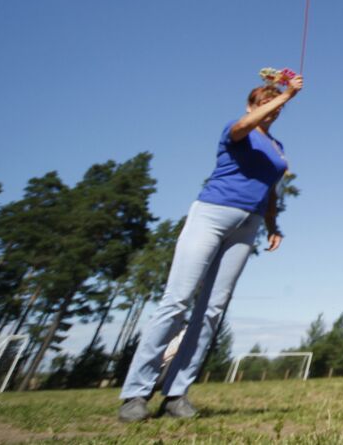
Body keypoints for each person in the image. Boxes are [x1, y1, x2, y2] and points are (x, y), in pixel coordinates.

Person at [119, 73, 303, 422]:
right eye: (264, 105)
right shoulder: (236, 129)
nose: (271, 113)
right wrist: (287, 95)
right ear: (251, 106)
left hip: (246, 225)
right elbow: (246, 125)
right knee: (177, 300)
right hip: (211, 215)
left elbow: (270, 188)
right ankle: (136, 394)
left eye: (275, 109)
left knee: (213, 309)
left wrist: (272, 225)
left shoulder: (277, 147)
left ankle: (176, 393)